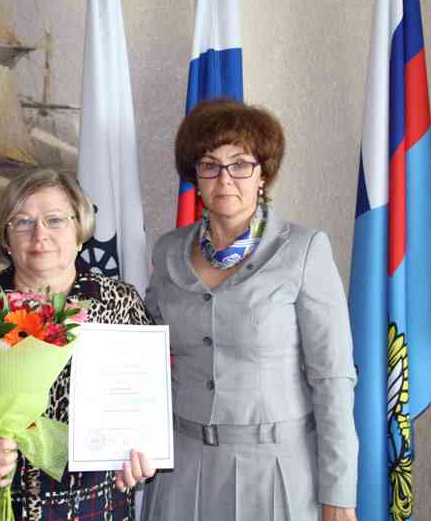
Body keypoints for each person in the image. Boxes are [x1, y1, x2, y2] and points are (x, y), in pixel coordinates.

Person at [141, 99, 358, 521]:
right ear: (195, 177)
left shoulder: (304, 250)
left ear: (263, 173)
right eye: (210, 165)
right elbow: (145, 358)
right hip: (182, 468)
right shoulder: (168, 251)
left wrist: (339, 493)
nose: (225, 178)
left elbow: (332, 378)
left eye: (240, 164)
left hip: (274, 472)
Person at [0, 168, 155, 521]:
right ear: (6, 238)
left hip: (91, 508)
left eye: (55, 220)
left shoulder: (120, 303)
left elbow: (150, 399)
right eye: (23, 222)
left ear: (79, 232)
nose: (40, 234)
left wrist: (145, 452)